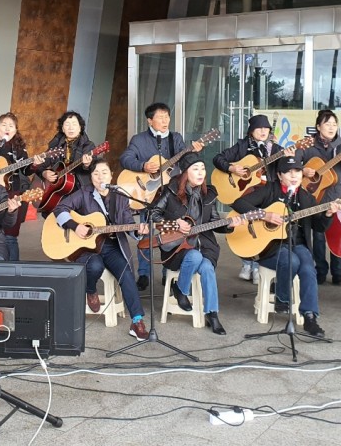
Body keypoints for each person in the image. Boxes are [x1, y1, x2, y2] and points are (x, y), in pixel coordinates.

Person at [232, 155, 340, 338]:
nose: (294, 175)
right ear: (280, 175)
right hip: (270, 247)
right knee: (293, 259)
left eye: (297, 171)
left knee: (308, 268)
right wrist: (264, 215)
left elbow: (319, 227)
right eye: (288, 172)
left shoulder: (306, 197)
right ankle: (282, 298)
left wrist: (328, 214)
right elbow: (239, 203)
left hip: (297, 244)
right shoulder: (270, 190)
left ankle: (309, 317)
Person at [54, 158, 150, 340]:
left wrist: (139, 231)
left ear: (111, 175)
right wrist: (75, 226)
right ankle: (90, 289)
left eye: (104, 173)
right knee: (95, 266)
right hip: (86, 249)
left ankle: (137, 321)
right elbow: (60, 209)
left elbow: (128, 223)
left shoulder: (120, 196)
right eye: (96, 173)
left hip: (112, 246)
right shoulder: (83, 193)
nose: (100, 177)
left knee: (126, 273)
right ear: (91, 177)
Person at [151, 153, 241, 335]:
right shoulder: (170, 191)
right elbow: (153, 214)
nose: (200, 173)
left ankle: (212, 314)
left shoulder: (208, 195)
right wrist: (176, 223)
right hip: (176, 248)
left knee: (207, 267)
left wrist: (229, 225)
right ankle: (182, 289)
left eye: (202, 168)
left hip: (204, 245)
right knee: (194, 255)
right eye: (195, 169)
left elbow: (215, 222)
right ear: (185, 173)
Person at [119, 102, 204, 292]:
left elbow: (185, 161)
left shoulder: (176, 138)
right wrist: (143, 166)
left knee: (171, 234)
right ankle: (144, 273)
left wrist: (195, 151)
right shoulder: (139, 140)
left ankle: (168, 272)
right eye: (160, 117)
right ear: (150, 120)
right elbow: (125, 159)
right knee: (146, 233)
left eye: (167, 116)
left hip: (172, 195)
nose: (165, 120)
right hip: (147, 195)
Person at [213, 114, 296, 286]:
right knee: (243, 227)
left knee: (259, 229)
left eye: (266, 128)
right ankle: (246, 263)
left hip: (265, 195)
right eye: (259, 128)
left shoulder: (275, 149)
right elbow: (218, 158)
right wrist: (232, 168)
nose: (263, 131)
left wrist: (287, 157)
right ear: (251, 131)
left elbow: (284, 168)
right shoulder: (242, 146)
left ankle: (258, 265)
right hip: (243, 194)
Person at [302, 109, 341, 287]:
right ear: (319, 126)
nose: (332, 127)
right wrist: (303, 170)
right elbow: (297, 164)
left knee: (337, 233)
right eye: (328, 124)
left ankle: (338, 272)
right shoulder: (309, 145)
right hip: (317, 193)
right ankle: (320, 270)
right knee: (318, 235)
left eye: (334, 124)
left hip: (338, 194)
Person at [0, 112, 42, 261]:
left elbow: (25, 170)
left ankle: (12, 274)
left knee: (10, 236)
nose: (7, 128)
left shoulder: (19, 150)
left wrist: (34, 164)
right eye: (3, 124)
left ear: (16, 130)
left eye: (11, 126)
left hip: (12, 193)